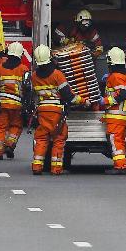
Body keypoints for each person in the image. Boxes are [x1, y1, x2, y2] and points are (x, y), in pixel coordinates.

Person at [29, 45, 82, 176]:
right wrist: (82, 101)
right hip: (56, 112)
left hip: (42, 111)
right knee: (58, 139)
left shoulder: (34, 76)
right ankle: (56, 168)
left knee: (41, 138)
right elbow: (68, 96)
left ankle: (37, 166)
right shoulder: (57, 75)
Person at [0, 42, 29, 159]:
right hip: (17, 105)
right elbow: (28, 87)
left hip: (2, 104)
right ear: (20, 55)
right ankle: (10, 145)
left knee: (0, 127)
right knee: (16, 126)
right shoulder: (23, 69)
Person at [101, 47, 126, 175]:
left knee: (115, 140)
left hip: (116, 115)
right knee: (119, 141)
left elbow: (122, 94)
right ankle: (121, 163)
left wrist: (105, 101)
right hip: (122, 115)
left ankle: (120, 166)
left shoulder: (116, 76)